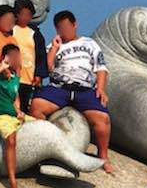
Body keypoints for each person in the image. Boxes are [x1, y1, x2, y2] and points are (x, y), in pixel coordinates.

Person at [30, 10, 114, 173]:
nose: (64, 31)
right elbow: (47, 67)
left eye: (67, 26)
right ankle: (46, 147)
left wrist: (101, 89)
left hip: (85, 90)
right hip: (60, 88)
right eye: (60, 28)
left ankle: (103, 156)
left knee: (102, 120)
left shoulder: (90, 44)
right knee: (36, 107)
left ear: (75, 25)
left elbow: (101, 68)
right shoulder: (54, 45)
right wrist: (54, 48)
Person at [0, 43, 34, 188]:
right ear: (5, 58)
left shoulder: (16, 77)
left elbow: (15, 98)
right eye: (13, 57)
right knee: (11, 139)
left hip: (12, 114)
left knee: (43, 125)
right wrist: (1, 67)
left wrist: (19, 111)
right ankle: (12, 183)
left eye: (18, 57)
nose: (17, 60)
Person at [12, 0, 49, 114]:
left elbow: (41, 55)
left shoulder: (35, 33)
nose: (25, 17)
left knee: (24, 106)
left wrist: (39, 74)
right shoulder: (10, 29)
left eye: (28, 14)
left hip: (28, 76)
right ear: (16, 15)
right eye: (22, 14)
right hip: (11, 75)